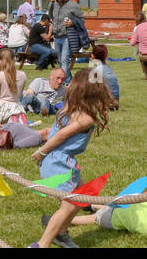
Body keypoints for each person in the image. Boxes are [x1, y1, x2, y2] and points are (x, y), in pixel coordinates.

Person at [31, 69, 116, 247]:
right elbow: (62, 135)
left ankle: (61, 233)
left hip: (56, 158)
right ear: (95, 93)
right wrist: (42, 151)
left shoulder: (71, 104)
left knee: (82, 195)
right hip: (59, 161)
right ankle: (42, 244)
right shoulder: (85, 118)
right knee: (68, 206)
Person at [49, 0, 89, 76]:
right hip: (56, 37)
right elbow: (52, 18)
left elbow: (82, 20)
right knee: (60, 61)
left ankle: (66, 83)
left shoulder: (74, 6)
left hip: (68, 36)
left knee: (64, 61)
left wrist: (73, 22)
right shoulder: (52, 5)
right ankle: (69, 81)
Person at [131, 14, 147, 82]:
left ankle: (146, 74)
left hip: (143, 56)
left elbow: (132, 43)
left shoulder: (138, 28)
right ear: (145, 18)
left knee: (142, 58)